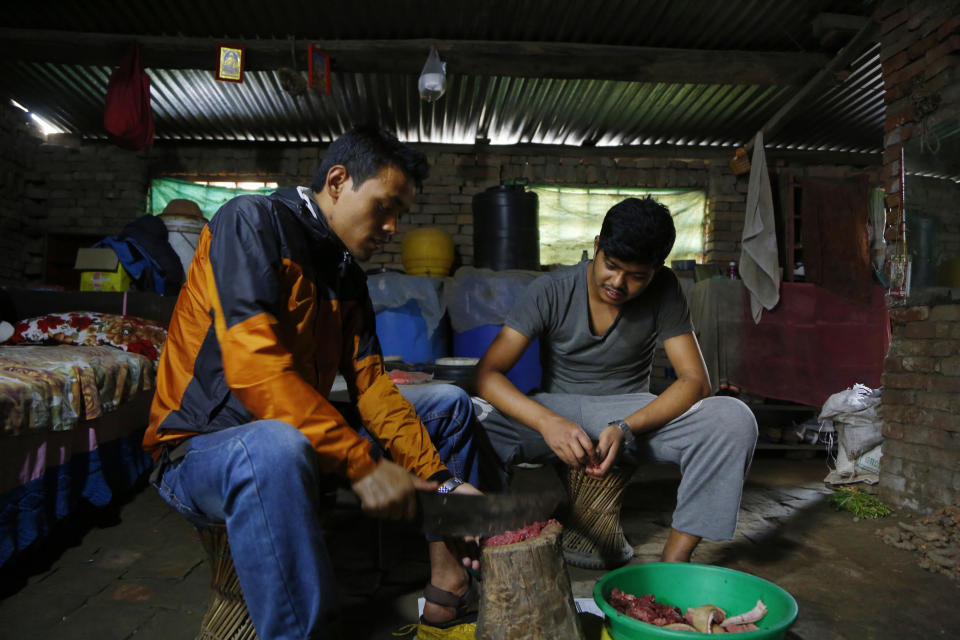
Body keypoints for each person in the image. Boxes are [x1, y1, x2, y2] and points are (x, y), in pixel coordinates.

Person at [143, 126, 481, 637]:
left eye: (401, 216)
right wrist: (361, 462)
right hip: (201, 451)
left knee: (447, 403)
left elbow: (372, 387)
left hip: (298, 438)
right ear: (339, 181)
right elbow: (254, 368)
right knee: (273, 448)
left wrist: (443, 479)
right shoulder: (250, 223)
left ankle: (447, 583)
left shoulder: (348, 274)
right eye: (385, 207)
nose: (392, 227)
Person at [474, 196, 757, 563]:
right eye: (611, 265)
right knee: (468, 416)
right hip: (558, 409)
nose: (618, 283)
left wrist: (626, 426)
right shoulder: (550, 289)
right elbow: (486, 375)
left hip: (630, 411)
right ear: (597, 247)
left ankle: (674, 562)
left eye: (637, 276)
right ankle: (482, 545)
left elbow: (694, 381)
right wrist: (547, 422)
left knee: (733, 419)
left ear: (656, 270)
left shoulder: (666, 288)